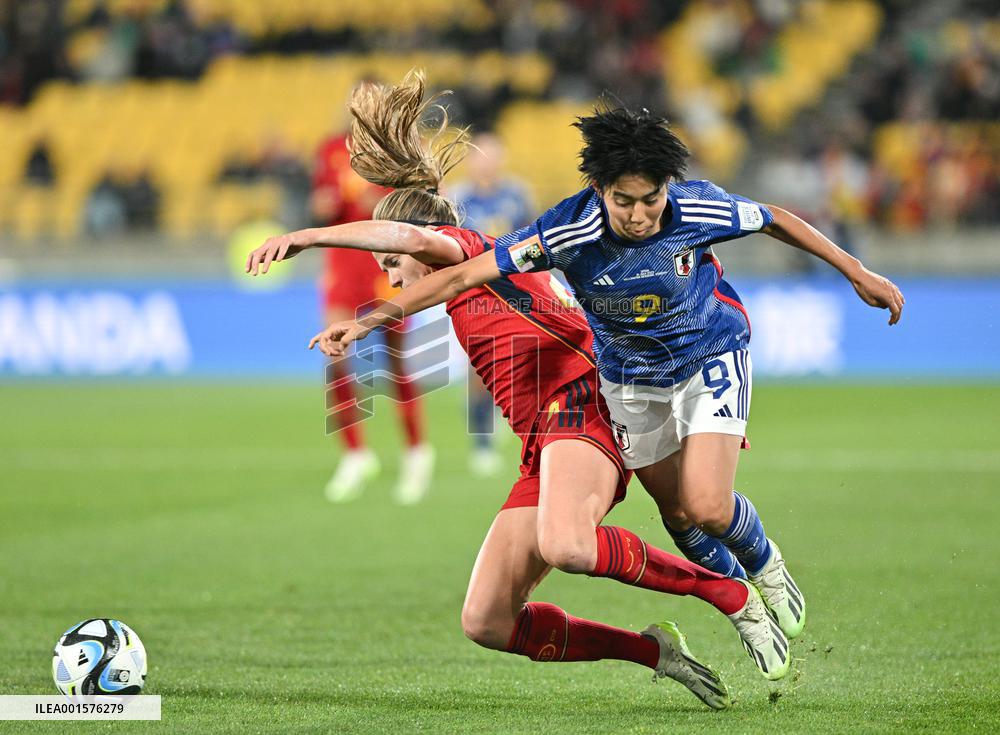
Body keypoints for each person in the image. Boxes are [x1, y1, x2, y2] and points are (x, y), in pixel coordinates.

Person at [246, 71, 793, 706]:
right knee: (487, 621)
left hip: (585, 404)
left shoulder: (465, 249)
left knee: (567, 543)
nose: (391, 276)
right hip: (546, 438)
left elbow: (412, 235)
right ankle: (655, 650)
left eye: (392, 266)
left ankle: (726, 593)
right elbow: (410, 258)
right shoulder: (456, 286)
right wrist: (366, 323)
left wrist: (310, 235)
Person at [312, 92, 907, 645]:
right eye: (624, 200)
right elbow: (467, 273)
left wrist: (857, 270)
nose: (641, 214)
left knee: (705, 504)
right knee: (677, 518)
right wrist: (371, 319)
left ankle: (764, 568)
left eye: (651, 198)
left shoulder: (696, 205)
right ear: (599, 190)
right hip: (627, 376)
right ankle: (732, 601)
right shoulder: (566, 229)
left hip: (708, 351)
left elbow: (774, 216)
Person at [312, 120, 434, 505]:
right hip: (345, 259)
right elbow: (320, 200)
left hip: (384, 258)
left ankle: (416, 451)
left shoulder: (398, 148)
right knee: (334, 353)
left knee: (395, 361)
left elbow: (426, 201)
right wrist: (326, 205)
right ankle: (354, 453)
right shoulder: (331, 146)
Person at [451, 132, 534, 477]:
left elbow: (533, 236)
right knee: (477, 370)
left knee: (525, 363)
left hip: (515, 289)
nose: (485, 163)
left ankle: (511, 420)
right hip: (474, 292)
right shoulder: (458, 199)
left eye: (491, 156)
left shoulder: (516, 193)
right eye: (479, 156)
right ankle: (482, 440)